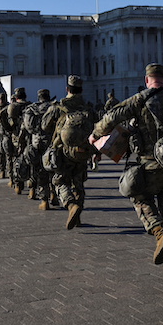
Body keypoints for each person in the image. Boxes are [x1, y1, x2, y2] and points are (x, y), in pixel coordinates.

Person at [91, 63, 163, 264]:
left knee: (139, 195)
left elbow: (111, 117)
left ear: (146, 80)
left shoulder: (140, 100)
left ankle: (159, 232)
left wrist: (95, 135)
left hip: (150, 162)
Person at [42, 76, 98, 229]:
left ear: (67, 89)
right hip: (82, 151)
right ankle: (78, 217)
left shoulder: (58, 106)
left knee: (60, 181)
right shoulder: (88, 107)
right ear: (81, 89)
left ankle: (71, 204)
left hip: (63, 151)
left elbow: (45, 126)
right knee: (78, 184)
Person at [22, 88, 56, 209]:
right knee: (53, 169)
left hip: (37, 142)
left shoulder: (31, 109)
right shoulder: (55, 108)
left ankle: (44, 200)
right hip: (52, 142)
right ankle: (54, 195)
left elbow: (28, 128)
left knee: (40, 171)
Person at [6, 88, 31, 193]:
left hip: (16, 137)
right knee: (30, 161)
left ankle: (18, 184)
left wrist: (9, 129)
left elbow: (4, 117)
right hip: (29, 138)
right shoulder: (30, 106)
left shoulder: (13, 107)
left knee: (16, 160)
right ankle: (31, 186)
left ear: (16, 97)